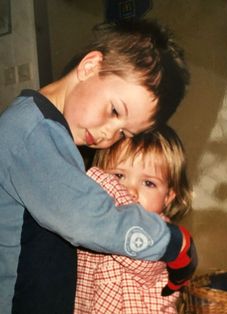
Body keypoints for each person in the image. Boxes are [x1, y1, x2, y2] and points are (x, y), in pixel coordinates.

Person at [0, 20, 193, 314]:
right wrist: (172, 241)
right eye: (114, 111)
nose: (108, 134)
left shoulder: (52, 135)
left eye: (123, 133)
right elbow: (85, 217)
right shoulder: (31, 132)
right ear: (90, 66)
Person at [74, 125, 195, 313]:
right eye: (119, 176)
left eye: (148, 183)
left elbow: (128, 234)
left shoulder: (158, 234)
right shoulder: (90, 220)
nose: (130, 191)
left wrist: (97, 179)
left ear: (168, 197)